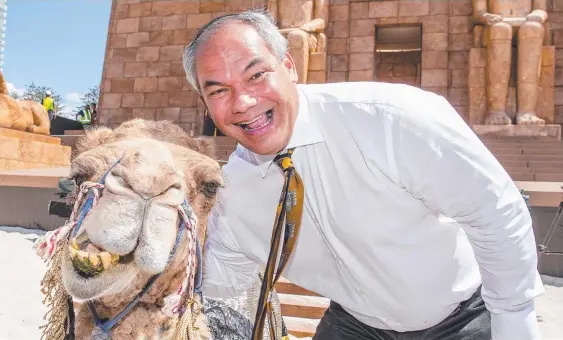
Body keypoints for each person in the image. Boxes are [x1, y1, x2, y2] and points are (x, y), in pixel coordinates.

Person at [183, 9, 545, 340]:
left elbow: (495, 212)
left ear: (289, 66)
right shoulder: (235, 191)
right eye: (219, 90)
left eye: (256, 75)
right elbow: (223, 277)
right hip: (356, 324)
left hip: (464, 318)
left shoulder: (392, 119)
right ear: (205, 103)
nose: (243, 101)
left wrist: (513, 319)